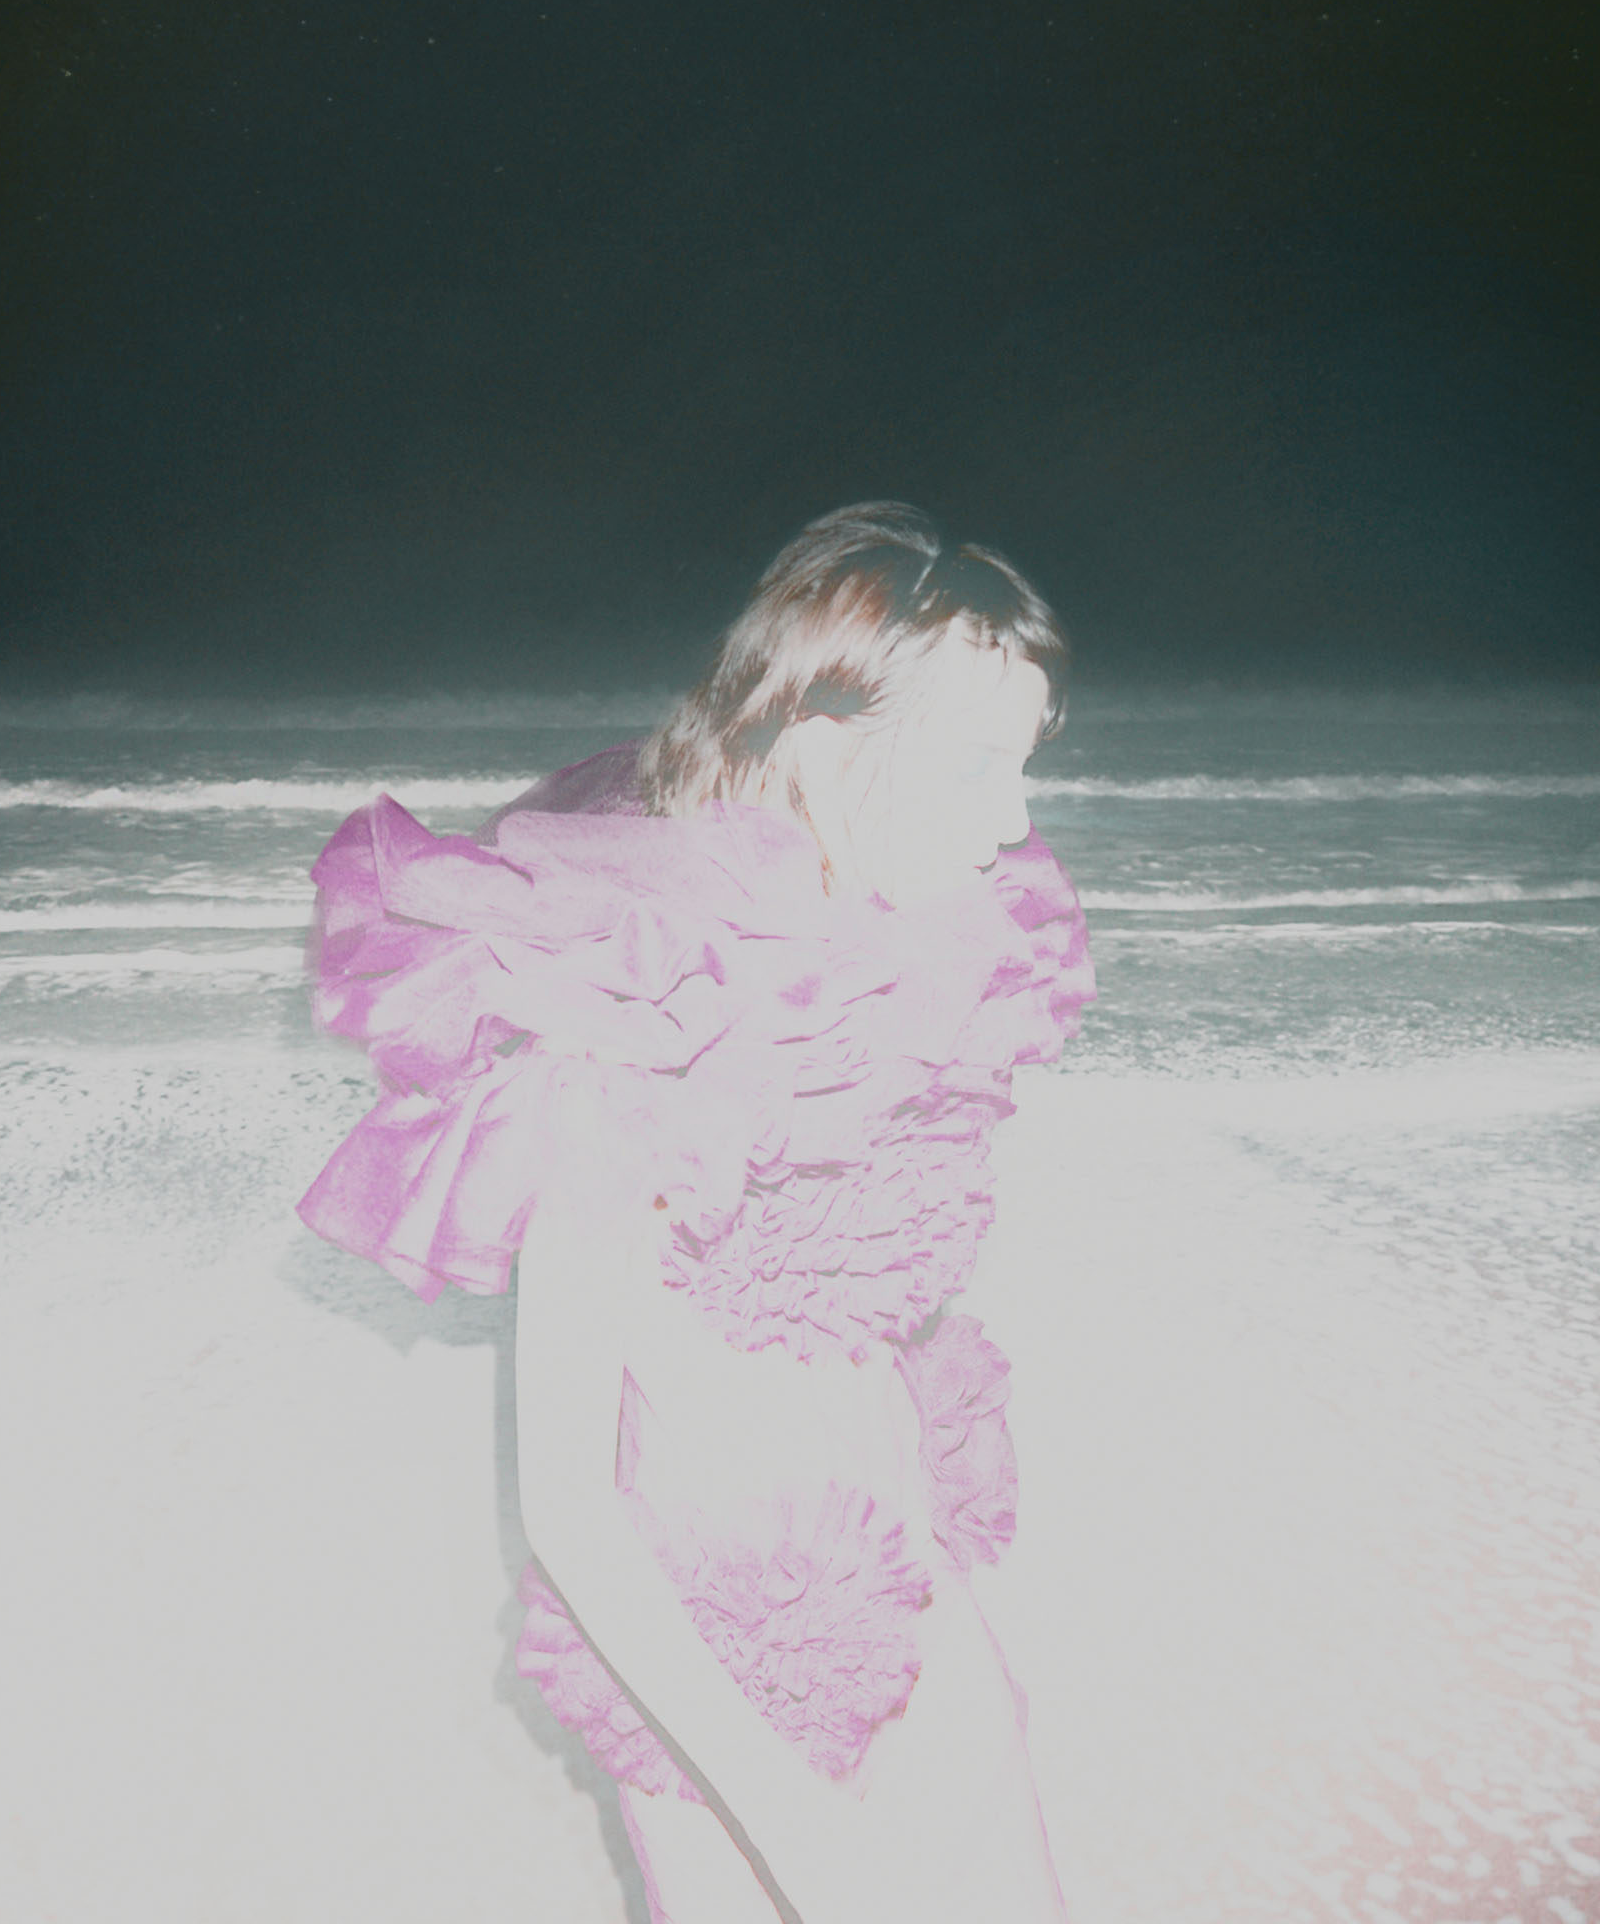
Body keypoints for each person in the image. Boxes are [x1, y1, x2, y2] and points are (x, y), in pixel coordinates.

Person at [299, 502, 1092, 1922]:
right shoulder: (631, 1028)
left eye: (1026, 765)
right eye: (981, 765)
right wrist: (793, 1828)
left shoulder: (901, 973)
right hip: (736, 1696)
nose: (1017, 820)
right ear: (824, 753)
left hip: (917, 1614)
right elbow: (568, 1504)